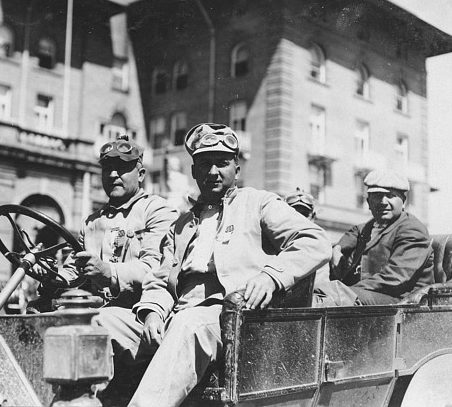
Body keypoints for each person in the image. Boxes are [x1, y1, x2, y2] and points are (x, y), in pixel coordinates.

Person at [96, 123, 331, 407]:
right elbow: (159, 280)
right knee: (100, 322)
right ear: (194, 171)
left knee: (188, 324)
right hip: (178, 316)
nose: (212, 172)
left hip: (233, 319)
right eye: (205, 164)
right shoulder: (181, 224)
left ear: (237, 168)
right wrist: (152, 313)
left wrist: (271, 276)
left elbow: (314, 240)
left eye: (222, 163)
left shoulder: (258, 203)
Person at [33, 134, 177, 313]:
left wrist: (108, 271)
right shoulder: (92, 222)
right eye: (107, 168)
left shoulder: (157, 211)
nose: (113, 174)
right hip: (97, 309)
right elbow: (72, 272)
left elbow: (155, 269)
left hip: (140, 311)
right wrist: (51, 275)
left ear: (140, 175)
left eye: (122, 168)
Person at [313, 169, 434, 306]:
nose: (383, 202)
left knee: (330, 297)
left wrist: (345, 290)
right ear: (368, 201)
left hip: (403, 302)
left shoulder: (411, 230)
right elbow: (354, 232)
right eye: (377, 195)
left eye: (390, 195)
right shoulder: (371, 226)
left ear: (403, 201)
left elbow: (395, 278)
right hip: (374, 296)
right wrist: (338, 248)